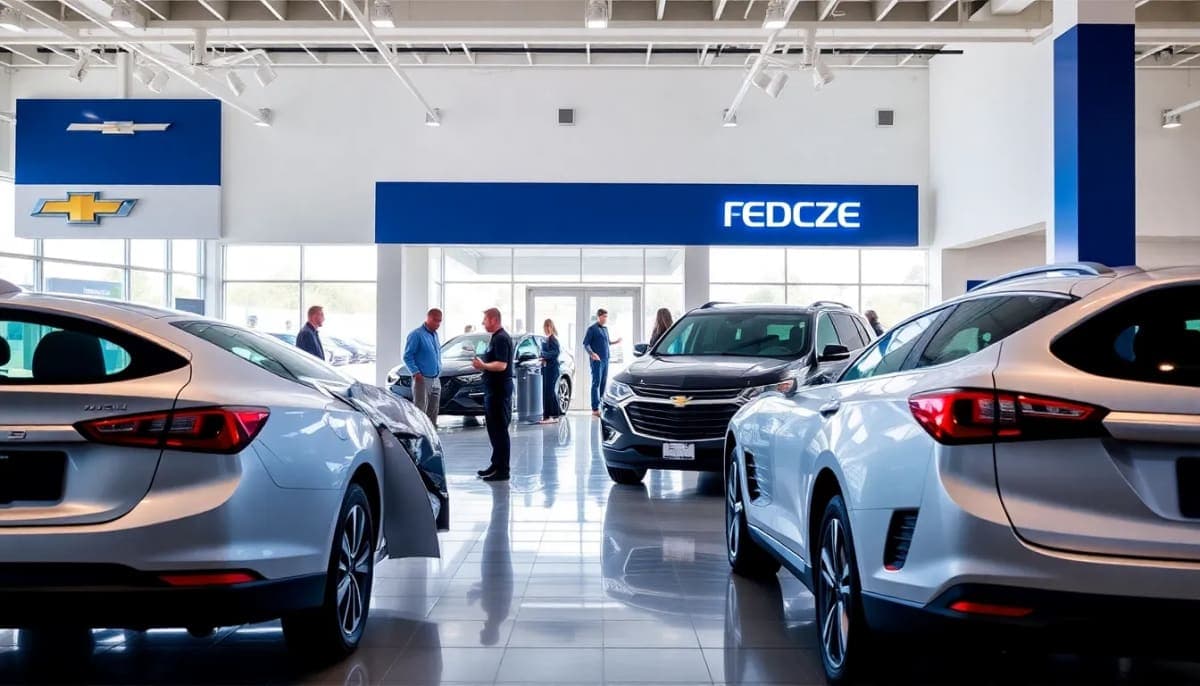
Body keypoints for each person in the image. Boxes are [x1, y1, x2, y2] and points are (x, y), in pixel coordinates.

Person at [472, 308, 514, 482]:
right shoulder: (495, 338)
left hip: (499, 391)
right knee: (493, 430)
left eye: (485, 320)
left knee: (499, 430)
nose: (483, 323)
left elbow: (502, 365)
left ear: (494, 320)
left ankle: (503, 469)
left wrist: (483, 366)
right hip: (492, 390)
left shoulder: (502, 339)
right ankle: (496, 464)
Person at [404, 308, 444, 425]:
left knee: (433, 411)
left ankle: (432, 437)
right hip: (422, 379)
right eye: (435, 320)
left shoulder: (435, 335)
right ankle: (420, 437)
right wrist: (416, 373)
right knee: (420, 410)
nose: (438, 324)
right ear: (428, 318)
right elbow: (407, 356)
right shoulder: (416, 335)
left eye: (440, 321)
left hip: (436, 379)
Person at [583, 308, 622, 418]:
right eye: (604, 316)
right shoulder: (592, 329)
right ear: (599, 316)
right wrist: (592, 354)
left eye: (606, 316)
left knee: (603, 383)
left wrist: (616, 342)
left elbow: (607, 342)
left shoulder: (605, 329)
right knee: (596, 383)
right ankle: (594, 409)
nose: (605, 319)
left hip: (606, 360)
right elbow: (586, 344)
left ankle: (600, 406)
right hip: (597, 361)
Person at [539, 319, 563, 424]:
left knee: (550, 392)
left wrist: (543, 355)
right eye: (546, 326)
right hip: (546, 369)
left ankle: (554, 415)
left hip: (552, 370)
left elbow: (555, 353)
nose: (547, 328)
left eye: (549, 326)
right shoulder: (546, 339)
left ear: (552, 327)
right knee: (546, 392)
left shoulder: (553, 339)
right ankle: (547, 416)